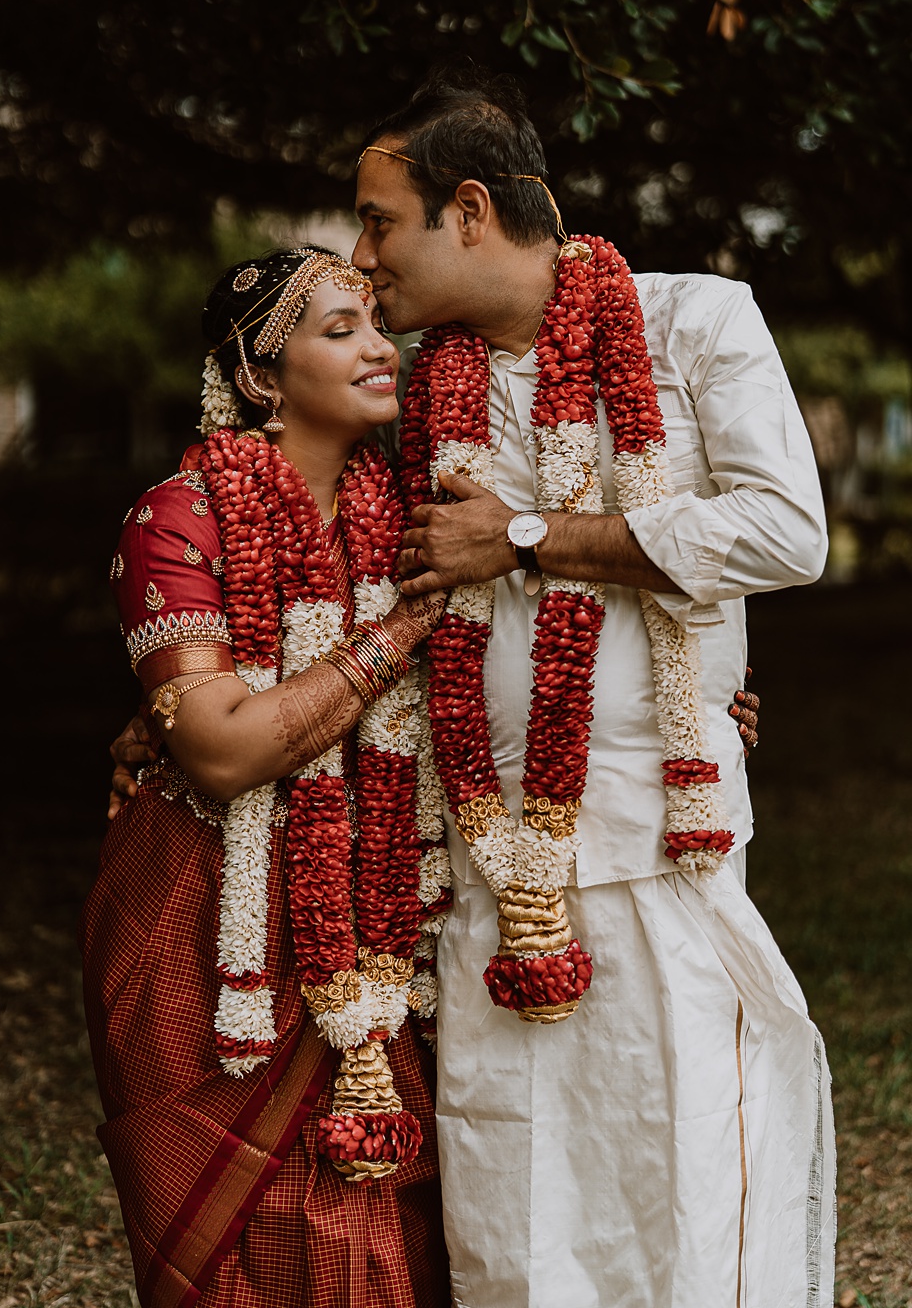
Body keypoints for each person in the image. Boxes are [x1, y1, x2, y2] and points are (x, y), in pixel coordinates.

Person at [341, 66, 836, 1308]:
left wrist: (522, 538)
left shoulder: (693, 320)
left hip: (656, 849)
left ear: (467, 210)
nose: (360, 257)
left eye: (378, 219)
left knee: (682, 1189)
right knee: (518, 1210)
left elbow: (786, 532)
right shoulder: (408, 391)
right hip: (483, 866)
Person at [80, 248, 451, 1308]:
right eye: (341, 328)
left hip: (380, 909)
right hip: (202, 920)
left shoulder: (423, 514)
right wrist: (398, 637)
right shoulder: (179, 519)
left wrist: (714, 705)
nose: (382, 345)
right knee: (245, 1247)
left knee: (387, 1226)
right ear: (258, 377)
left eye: (379, 322)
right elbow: (223, 748)